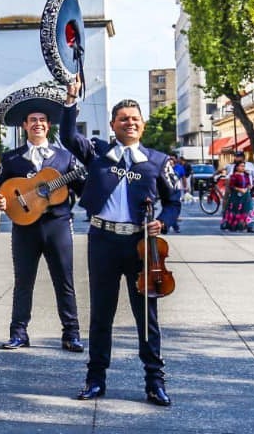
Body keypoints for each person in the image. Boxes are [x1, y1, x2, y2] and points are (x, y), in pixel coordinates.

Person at [60, 80, 179, 406]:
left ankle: (154, 382)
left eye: (134, 118)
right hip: (103, 241)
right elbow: (68, 137)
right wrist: (70, 100)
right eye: (123, 118)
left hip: (142, 248)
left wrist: (163, 221)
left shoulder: (157, 160)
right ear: (113, 125)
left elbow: (173, 202)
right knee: (101, 314)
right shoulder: (98, 153)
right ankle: (95, 379)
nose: (129, 122)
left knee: (146, 316)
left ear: (143, 124)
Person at [0, 90, 84, 352]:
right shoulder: (12, 158)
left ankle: (71, 333)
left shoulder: (65, 158)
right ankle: (18, 333)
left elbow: (83, 187)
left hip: (58, 225)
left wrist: (93, 176)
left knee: (64, 280)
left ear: (48, 125)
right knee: (23, 282)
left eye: (42, 120)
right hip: (24, 228)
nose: (38, 123)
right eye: (33, 120)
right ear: (25, 125)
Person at [222, 162, 254, 232]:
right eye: (241, 166)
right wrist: (240, 189)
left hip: (246, 195)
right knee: (235, 211)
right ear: (237, 167)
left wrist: (247, 188)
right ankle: (234, 226)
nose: (243, 168)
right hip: (236, 196)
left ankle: (249, 226)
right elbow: (231, 186)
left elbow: (249, 184)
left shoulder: (246, 175)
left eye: (244, 166)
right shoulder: (233, 176)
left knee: (248, 209)